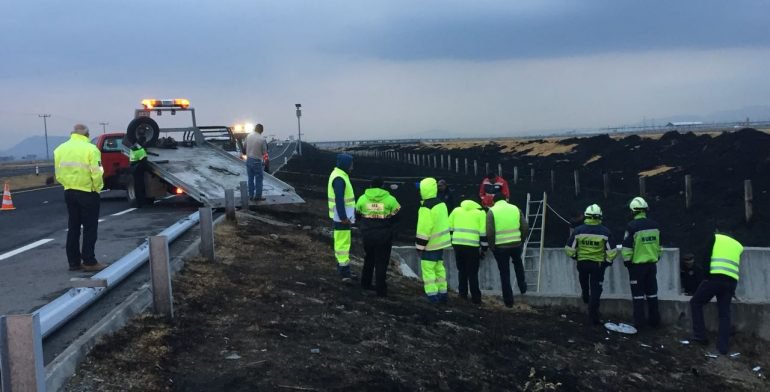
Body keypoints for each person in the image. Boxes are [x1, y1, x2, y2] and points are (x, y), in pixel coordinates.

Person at [54, 124, 107, 272]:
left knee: (73, 227)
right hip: (87, 192)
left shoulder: (60, 149)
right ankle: (89, 261)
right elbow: (97, 172)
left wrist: (68, 184)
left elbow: (58, 173)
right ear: (87, 135)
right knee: (90, 228)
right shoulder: (91, 149)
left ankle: (74, 262)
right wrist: (97, 188)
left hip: (69, 191)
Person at [690, 231, 744, 355]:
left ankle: (700, 336)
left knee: (696, 302)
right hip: (731, 282)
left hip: (714, 279)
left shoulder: (716, 238)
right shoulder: (738, 245)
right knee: (724, 314)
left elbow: (706, 257)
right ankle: (723, 347)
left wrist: (706, 276)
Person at [565, 204, 616, 325]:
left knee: (584, 283)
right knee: (596, 290)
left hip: (582, 263)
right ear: (600, 216)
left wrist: (577, 257)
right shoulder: (605, 232)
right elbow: (612, 251)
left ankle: (585, 296)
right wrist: (607, 263)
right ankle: (593, 316)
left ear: (586, 216)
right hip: (598, 265)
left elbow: (569, 249)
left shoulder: (578, 231)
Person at [355, 177, 401, 297]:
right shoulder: (391, 200)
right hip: (383, 236)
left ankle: (365, 284)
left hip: (368, 235)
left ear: (370, 185)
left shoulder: (362, 198)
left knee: (368, 259)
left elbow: (358, 215)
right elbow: (397, 217)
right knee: (381, 263)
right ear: (383, 186)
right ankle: (381, 290)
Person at [621, 197, 662, 329]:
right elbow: (659, 246)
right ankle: (655, 321)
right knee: (652, 294)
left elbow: (627, 247)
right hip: (651, 265)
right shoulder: (655, 225)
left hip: (637, 267)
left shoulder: (632, 226)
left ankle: (639, 323)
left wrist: (627, 262)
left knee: (638, 296)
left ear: (633, 211)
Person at [486, 193, 528, 307]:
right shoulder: (515, 208)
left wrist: (492, 246)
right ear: (506, 199)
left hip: (500, 247)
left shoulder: (492, 211)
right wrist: (521, 240)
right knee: (518, 263)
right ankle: (522, 285)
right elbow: (524, 226)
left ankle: (508, 301)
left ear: (494, 201)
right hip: (516, 244)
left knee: (504, 273)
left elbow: (490, 232)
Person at [415, 177, 451, 303]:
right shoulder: (441, 204)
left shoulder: (426, 207)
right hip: (441, 243)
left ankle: (432, 296)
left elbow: (424, 229)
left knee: (428, 270)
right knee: (439, 268)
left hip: (430, 244)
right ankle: (443, 293)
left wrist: (420, 246)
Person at [448, 199, 487, 304]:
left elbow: (449, 227)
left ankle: (462, 294)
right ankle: (476, 298)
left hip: (458, 245)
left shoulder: (456, 211)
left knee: (462, 270)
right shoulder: (480, 213)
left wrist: (453, 241)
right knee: (473, 273)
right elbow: (483, 233)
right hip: (472, 246)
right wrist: (484, 248)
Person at [327, 153, 356, 281]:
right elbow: (339, 199)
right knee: (343, 245)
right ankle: (345, 272)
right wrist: (344, 217)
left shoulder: (339, 175)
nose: (352, 167)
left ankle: (343, 269)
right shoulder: (339, 178)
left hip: (341, 216)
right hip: (341, 218)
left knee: (341, 243)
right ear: (345, 164)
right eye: (350, 164)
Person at [244, 123, 268, 201]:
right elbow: (264, 153)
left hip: (249, 160)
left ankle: (250, 196)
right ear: (261, 130)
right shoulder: (262, 139)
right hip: (257, 161)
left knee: (250, 178)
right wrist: (266, 160)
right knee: (258, 178)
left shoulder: (248, 136)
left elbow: (244, 147)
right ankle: (258, 196)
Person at [128, 143, 148, 207]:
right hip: (138, 168)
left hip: (134, 168)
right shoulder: (141, 150)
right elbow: (144, 160)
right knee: (140, 186)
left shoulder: (133, 147)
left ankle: (140, 202)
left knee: (137, 186)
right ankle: (142, 202)